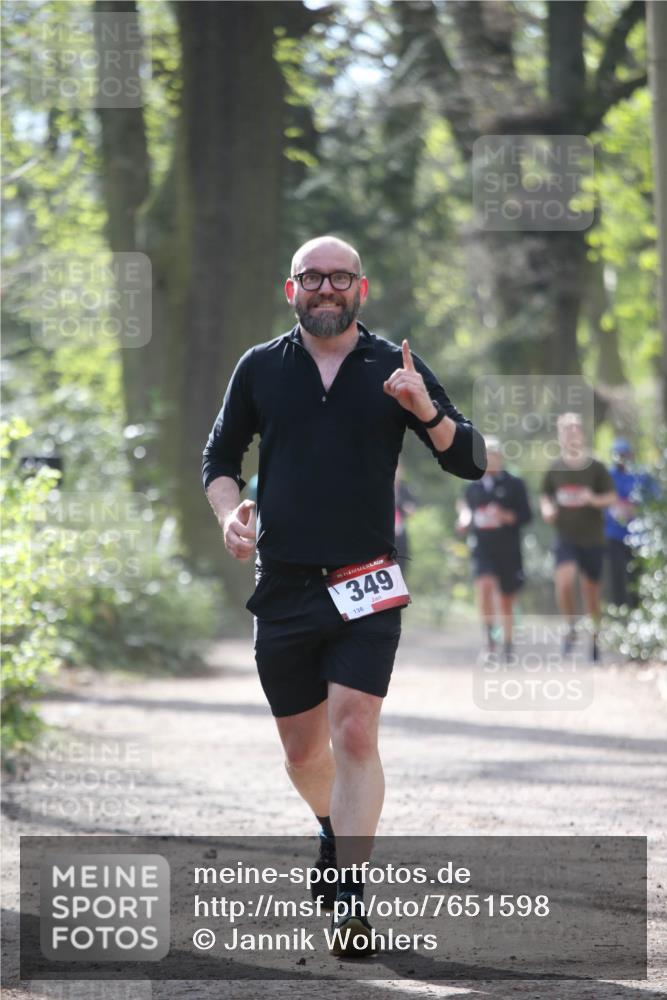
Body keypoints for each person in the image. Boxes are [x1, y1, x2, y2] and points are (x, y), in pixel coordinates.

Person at [202, 235, 486, 955]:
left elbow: (470, 461)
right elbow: (219, 457)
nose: (326, 288)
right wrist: (230, 515)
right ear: (289, 288)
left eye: (339, 278)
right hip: (286, 585)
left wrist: (425, 409)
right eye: (312, 278)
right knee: (303, 755)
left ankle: (352, 899)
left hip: (367, 582)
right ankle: (331, 828)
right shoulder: (261, 367)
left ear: (362, 288)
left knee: (354, 729)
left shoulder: (394, 367)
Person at [540, 413, 616, 662]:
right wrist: (547, 509)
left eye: (575, 429)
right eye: (567, 430)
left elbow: (611, 497)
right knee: (564, 581)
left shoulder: (595, 466)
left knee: (591, 593)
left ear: (582, 434)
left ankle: (595, 640)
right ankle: (570, 627)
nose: (572, 433)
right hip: (566, 537)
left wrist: (593, 499)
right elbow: (545, 495)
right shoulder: (555, 468)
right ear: (561, 436)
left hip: (593, 538)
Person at [456, 437, 532, 659]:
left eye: (493, 454)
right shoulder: (472, 485)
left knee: (506, 600)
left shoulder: (514, 484)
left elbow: (527, 515)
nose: (489, 459)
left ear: (501, 456)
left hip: (508, 549)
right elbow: (465, 508)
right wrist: (464, 519)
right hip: (482, 548)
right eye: (484, 455)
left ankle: (508, 646)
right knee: (484, 587)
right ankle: (489, 641)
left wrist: (507, 516)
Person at [604, 438, 656, 608]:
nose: (620, 458)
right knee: (616, 576)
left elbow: (656, 500)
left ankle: (637, 612)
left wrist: (638, 508)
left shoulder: (642, 476)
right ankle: (620, 613)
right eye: (617, 454)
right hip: (613, 535)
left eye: (623, 454)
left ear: (630, 454)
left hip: (638, 537)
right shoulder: (608, 476)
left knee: (636, 576)